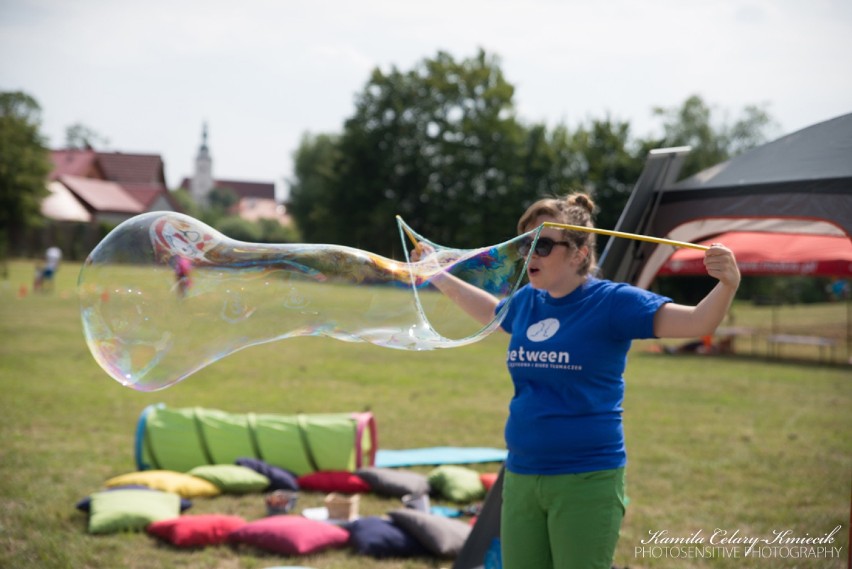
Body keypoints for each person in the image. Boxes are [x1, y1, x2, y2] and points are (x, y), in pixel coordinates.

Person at [412, 193, 740, 569]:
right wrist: (436, 274)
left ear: (580, 254)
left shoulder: (613, 303)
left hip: (586, 479)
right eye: (525, 244)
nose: (530, 254)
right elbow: (491, 312)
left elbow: (699, 321)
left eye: (544, 244)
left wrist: (727, 283)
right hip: (522, 476)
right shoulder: (527, 303)